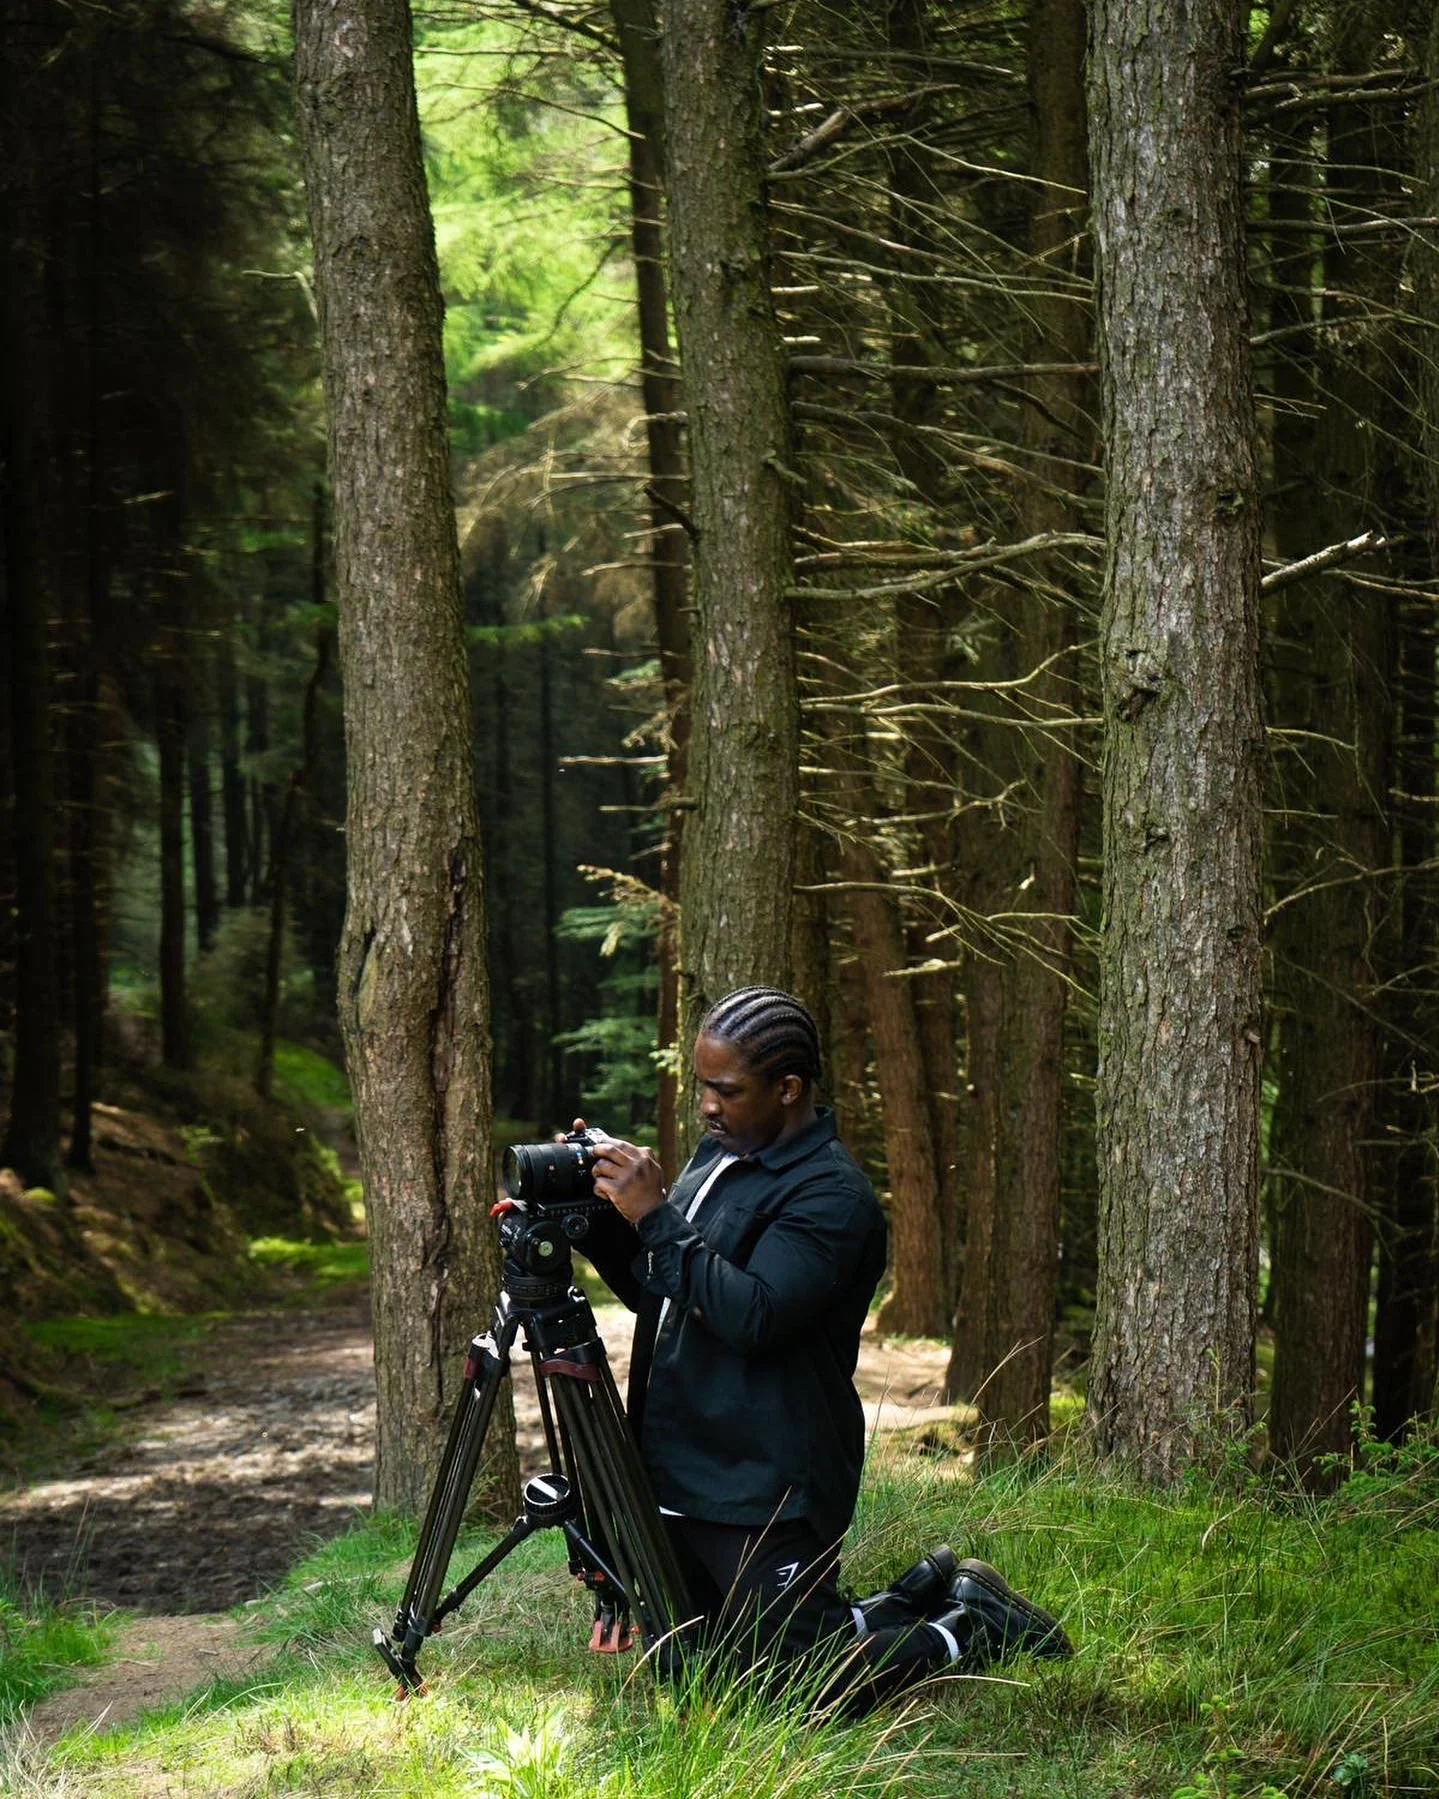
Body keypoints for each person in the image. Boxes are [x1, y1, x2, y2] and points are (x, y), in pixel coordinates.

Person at [578, 984, 1072, 1714]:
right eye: (702, 1087)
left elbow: (753, 1314)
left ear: (787, 1088)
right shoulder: (717, 1160)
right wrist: (599, 1220)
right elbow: (666, 1285)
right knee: (695, 1674)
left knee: (789, 1692)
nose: (706, 1106)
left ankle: (969, 1626)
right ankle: (907, 1596)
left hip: (766, 1481)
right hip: (684, 1466)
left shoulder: (831, 1196)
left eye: (725, 1089)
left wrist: (655, 1214)